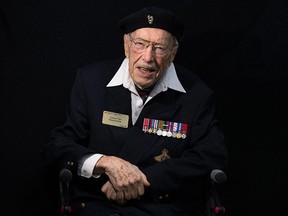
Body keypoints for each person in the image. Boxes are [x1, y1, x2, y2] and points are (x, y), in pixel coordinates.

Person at [41, 6, 227, 216]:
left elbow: (209, 156)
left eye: (159, 48)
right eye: (140, 44)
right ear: (126, 45)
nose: (148, 57)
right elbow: (59, 145)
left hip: (160, 206)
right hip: (97, 204)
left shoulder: (196, 95)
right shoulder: (91, 81)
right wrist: (104, 163)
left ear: (173, 53)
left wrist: (142, 181)